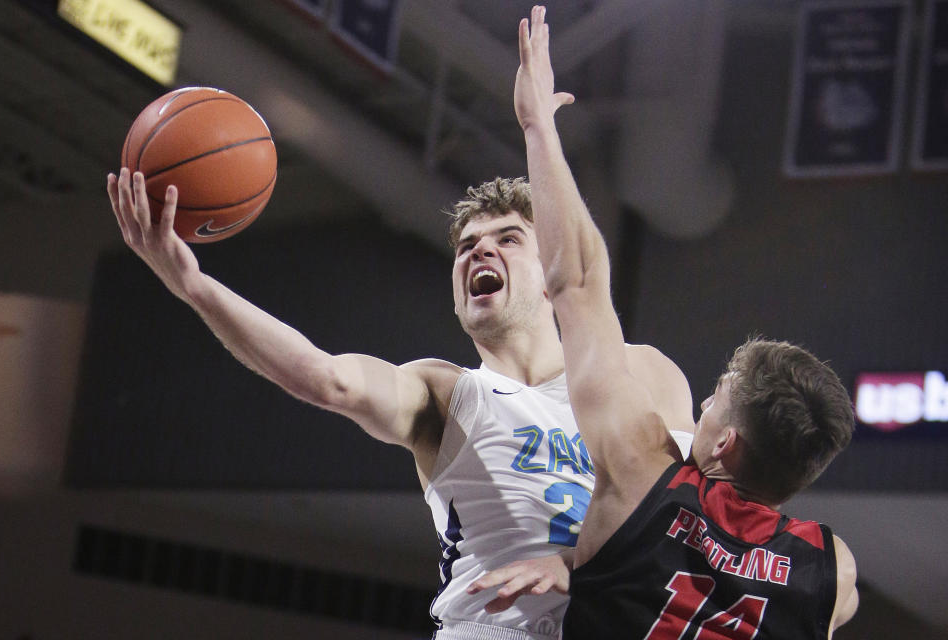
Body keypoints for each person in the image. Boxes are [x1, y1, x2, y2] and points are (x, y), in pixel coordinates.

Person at [107, 111, 692, 640]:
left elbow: (691, 521)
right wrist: (195, 287)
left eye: (507, 240)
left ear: (551, 272)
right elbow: (326, 379)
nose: (478, 254)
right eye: (466, 248)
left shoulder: (639, 372)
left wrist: (572, 566)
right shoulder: (444, 393)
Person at [469, 6, 858, 638]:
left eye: (713, 402)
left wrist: (538, 125)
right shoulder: (832, 572)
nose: (699, 406)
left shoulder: (638, 474)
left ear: (727, 444)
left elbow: (578, 284)